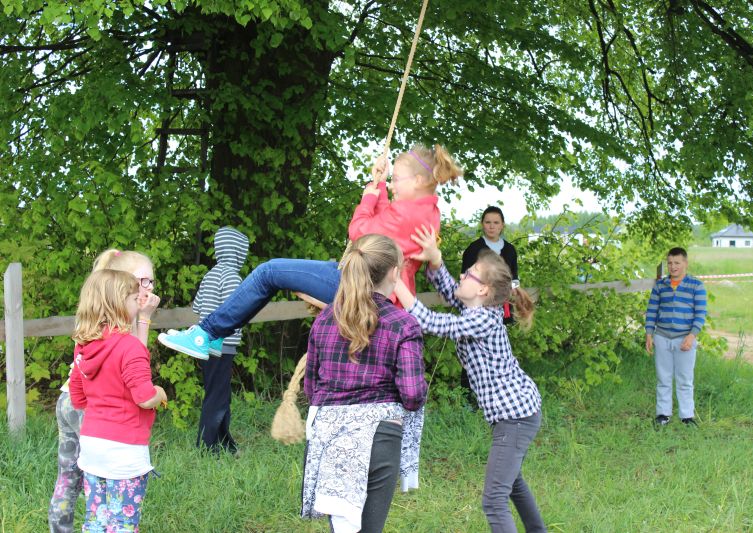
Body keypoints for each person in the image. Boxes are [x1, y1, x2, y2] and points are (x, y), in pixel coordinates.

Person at [158, 144, 462, 360]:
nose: (393, 185)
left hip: (359, 286)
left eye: (396, 179)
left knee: (269, 272)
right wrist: (379, 185)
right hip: (370, 286)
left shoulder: (409, 215)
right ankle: (214, 332)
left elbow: (359, 232)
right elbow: (386, 223)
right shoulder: (424, 211)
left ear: (420, 180)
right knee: (272, 275)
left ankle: (206, 333)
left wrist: (369, 196)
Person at [394, 225, 545, 533]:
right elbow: (452, 291)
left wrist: (396, 283)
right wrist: (435, 260)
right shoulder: (475, 308)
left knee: (493, 500)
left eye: (470, 273)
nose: (463, 275)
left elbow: (431, 322)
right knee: (512, 481)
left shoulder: (481, 319)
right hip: (518, 414)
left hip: (515, 417)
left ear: (483, 290)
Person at [301, 234, 428, 533]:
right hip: (380, 437)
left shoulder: (324, 320)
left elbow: (312, 389)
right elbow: (412, 395)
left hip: (330, 435)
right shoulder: (403, 324)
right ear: (395, 273)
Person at [48, 250, 160, 533]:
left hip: (83, 419)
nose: (146, 290)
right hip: (117, 437)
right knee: (121, 520)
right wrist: (158, 394)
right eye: (142, 282)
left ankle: (59, 528)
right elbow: (138, 379)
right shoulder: (128, 332)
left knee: (80, 493)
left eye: (150, 283)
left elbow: (78, 394)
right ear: (122, 289)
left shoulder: (85, 339)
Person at [193, 226, 250, 454]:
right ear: (238, 252)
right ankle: (207, 446)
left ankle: (224, 441)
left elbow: (197, 307)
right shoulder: (232, 277)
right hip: (222, 345)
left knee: (216, 393)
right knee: (218, 397)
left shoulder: (211, 275)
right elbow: (234, 312)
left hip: (206, 344)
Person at [460, 205, 519, 400]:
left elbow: (514, 278)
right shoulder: (474, 249)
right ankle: (469, 397)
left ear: (502, 225)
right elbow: (464, 277)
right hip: (478, 306)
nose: (491, 226)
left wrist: (513, 293)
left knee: (497, 352)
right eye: (488, 222)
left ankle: (495, 393)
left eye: (496, 223)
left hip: (500, 307)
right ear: (482, 224)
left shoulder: (509, 250)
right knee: (473, 351)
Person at [645, 247, 707, 427]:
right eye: (670, 263)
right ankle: (663, 415)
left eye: (677, 263)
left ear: (685, 264)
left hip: (684, 339)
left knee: (685, 380)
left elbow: (700, 313)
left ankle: (687, 416)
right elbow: (652, 311)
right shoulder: (660, 286)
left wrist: (692, 335)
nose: (673, 267)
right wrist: (649, 333)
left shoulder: (696, 286)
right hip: (662, 337)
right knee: (663, 378)